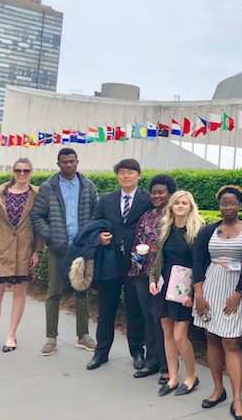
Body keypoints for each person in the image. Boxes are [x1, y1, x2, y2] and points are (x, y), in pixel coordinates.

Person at [193, 185, 242, 420]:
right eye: (223, 203)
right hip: (210, 287)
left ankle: (237, 401)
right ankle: (218, 389)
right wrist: (199, 294)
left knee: (232, 341)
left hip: (235, 290)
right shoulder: (209, 230)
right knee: (211, 336)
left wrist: (239, 293)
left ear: (240, 205)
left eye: (232, 203)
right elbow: (198, 262)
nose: (227, 207)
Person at [31, 148, 99, 356]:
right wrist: (50, 235)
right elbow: (37, 215)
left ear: (77, 162)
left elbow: (97, 212)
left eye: (72, 161)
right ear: (58, 164)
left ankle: (83, 335)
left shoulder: (87, 186)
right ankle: (51, 338)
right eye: (64, 162)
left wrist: (90, 236)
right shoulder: (48, 187)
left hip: (80, 248)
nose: (69, 165)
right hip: (58, 247)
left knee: (82, 290)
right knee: (54, 292)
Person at [86, 158, 153, 370]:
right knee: (106, 309)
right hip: (110, 263)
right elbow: (93, 223)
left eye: (130, 172)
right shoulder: (106, 200)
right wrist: (99, 238)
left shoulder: (147, 200)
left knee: (134, 310)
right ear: (117, 176)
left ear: (139, 176)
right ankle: (101, 352)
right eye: (122, 172)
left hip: (136, 265)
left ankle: (137, 352)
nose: (126, 176)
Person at [0, 158, 44, 353]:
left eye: (26, 170)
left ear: (31, 172)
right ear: (13, 172)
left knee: (19, 292)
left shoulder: (37, 195)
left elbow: (40, 225)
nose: (22, 174)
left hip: (24, 250)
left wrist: (37, 251)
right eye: (18, 170)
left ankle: (11, 335)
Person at [149, 190, 204, 396]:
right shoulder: (165, 229)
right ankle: (173, 377)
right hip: (165, 287)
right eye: (177, 203)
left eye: (185, 203)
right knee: (167, 333)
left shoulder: (198, 230)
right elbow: (157, 258)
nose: (181, 206)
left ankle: (192, 376)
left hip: (184, 290)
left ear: (191, 207)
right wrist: (153, 280)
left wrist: (193, 292)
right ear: (171, 206)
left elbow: (199, 264)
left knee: (181, 336)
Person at [130, 174, 178, 384]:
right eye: (154, 192)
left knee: (164, 320)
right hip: (143, 275)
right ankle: (152, 361)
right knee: (149, 317)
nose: (157, 196)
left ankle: (168, 366)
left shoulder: (174, 216)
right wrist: (136, 257)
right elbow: (137, 241)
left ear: (170, 194)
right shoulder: (147, 216)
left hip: (164, 276)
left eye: (161, 192)